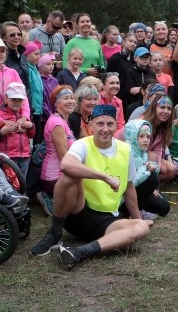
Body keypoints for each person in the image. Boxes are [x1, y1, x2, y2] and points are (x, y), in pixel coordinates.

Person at [29, 105, 152, 270]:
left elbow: (129, 188)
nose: (105, 129)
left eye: (110, 124)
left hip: (108, 220)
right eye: (100, 124)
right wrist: (105, 177)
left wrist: (137, 218)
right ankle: (55, 233)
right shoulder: (82, 144)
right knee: (69, 177)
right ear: (91, 124)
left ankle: (79, 252)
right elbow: (65, 164)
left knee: (141, 227)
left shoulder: (125, 149)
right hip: (79, 212)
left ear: (116, 125)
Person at [39, 86, 78, 215]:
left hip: (60, 173)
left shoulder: (63, 121)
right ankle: (50, 197)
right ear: (56, 104)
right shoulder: (56, 123)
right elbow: (64, 156)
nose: (71, 101)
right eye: (65, 98)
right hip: (54, 176)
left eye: (72, 98)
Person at [122, 120, 170, 219]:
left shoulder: (142, 153)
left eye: (148, 137)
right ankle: (133, 212)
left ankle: (141, 208)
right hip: (124, 198)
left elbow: (143, 175)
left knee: (164, 206)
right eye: (141, 136)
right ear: (133, 136)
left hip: (139, 193)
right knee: (152, 178)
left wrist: (152, 169)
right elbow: (130, 183)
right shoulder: (126, 154)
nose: (146, 140)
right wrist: (147, 171)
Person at [139, 95, 177, 183]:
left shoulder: (163, 127)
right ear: (154, 108)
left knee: (171, 169)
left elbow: (158, 152)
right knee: (152, 155)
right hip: (134, 159)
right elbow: (136, 152)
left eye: (169, 108)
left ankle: (150, 184)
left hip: (150, 158)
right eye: (162, 107)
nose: (166, 111)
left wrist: (154, 172)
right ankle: (142, 186)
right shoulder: (142, 123)